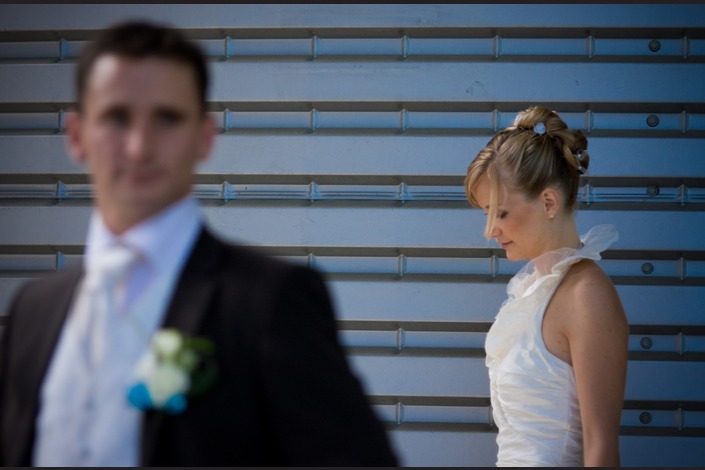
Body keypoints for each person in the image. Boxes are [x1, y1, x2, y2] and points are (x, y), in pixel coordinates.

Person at [0, 21, 398, 467]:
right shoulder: (34, 310)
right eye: (116, 117)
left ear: (204, 136)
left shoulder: (272, 300)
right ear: (76, 135)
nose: (138, 147)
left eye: (167, 118)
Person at [464, 106, 629, 466]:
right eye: (486, 214)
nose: (490, 230)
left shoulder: (586, 295)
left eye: (500, 213)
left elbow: (601, 451)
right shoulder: (530, 289)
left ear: (549, 202)